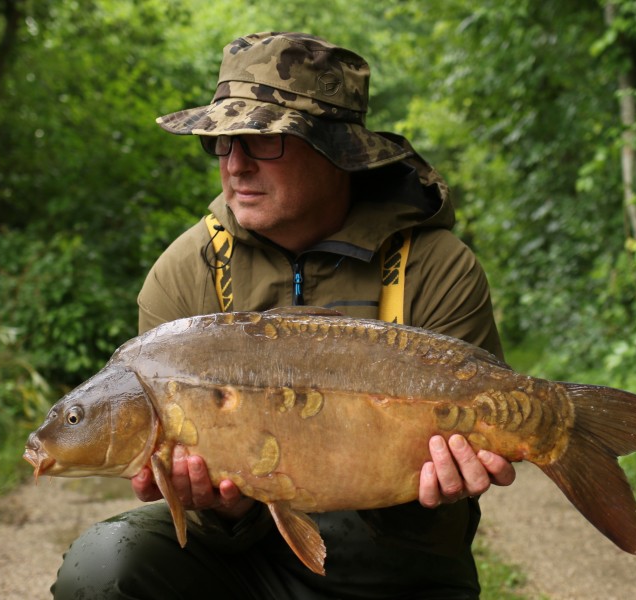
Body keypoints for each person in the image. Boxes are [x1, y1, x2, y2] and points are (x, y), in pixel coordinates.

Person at [52, 31, 515, 600]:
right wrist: (221, 504)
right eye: (222, 143)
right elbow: (184, 493)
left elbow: (455, 500)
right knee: (103, 569)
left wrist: (450, 485)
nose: (236, 164)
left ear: (336, 150)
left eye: (263, 140)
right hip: (237, 552)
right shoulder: (184, 272)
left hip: (396, 553)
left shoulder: (437, 266)